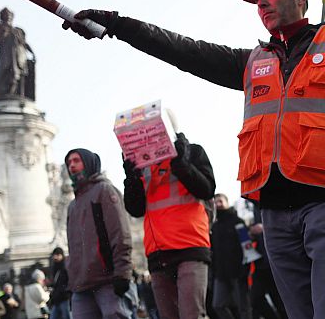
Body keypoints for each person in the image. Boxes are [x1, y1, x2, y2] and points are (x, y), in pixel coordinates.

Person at [63, 0, 325, 318]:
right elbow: (182, 50)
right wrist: (115, 24)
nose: (262, 3)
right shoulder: (252, 61)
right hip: (273, 212)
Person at [123, 133, 215, 319]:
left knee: (192, 314)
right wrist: (131, 177)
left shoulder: (192, 152)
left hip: (190, 246)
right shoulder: (143, 165)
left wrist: (181, 163)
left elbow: (206, 189)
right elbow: (136, 209)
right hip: (158, 253)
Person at [65, 149, 136, 319]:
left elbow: (120, 233)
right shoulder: (72, 206)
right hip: (81, 287)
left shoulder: (104, 190)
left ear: (89, 163)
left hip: (108, 280)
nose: (72, 166)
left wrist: (122, 272)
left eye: (76, 160)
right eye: (68, 163)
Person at [210, 194, 252, 319]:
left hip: (238, 272)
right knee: (218, 305)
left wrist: (245, 269)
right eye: (216, 202)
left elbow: (247, 247)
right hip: (221, 275)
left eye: (220, 201)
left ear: (227, 202)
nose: (218, 204)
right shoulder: (215, 227)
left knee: (243, 307)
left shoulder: (238, 222)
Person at [247, 203, 286, 319]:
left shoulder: (274, 201)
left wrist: (264, 228)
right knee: (255, 299)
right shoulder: (251, 207)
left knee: (281, 301)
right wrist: (251, 233)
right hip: (260, 263)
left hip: (276, 261)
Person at [48, 248, 71, 319]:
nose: (55, 257)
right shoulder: (55, 267)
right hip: (57, 298)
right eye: (54, 255)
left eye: (58, 255)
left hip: (64, 297)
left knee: (65, 316)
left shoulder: (65, 267)